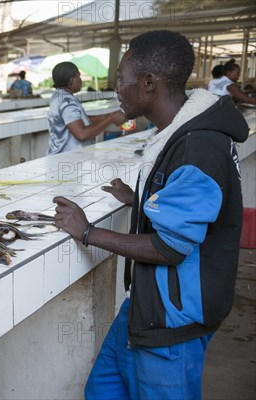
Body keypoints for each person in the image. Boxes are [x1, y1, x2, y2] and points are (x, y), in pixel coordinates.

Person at [52, 30, 248, 399]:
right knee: (101, 390)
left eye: (120, 81)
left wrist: (87, 232)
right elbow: (187, 204)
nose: (116, 90)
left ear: (148, 84)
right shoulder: (178, 134)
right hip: (145, 303)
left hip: (174, 320)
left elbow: (169, 248)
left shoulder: (198, 148)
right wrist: (140, 200)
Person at [47, 62, 126, 155]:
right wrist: (111, 119)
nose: (81, 81)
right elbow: (82, 134)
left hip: (61, 157)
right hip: (68, 158)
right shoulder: (66, 101)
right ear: (71, 80)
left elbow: (78, 119)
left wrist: (109, 115)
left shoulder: (59, 95)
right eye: (78, 76)